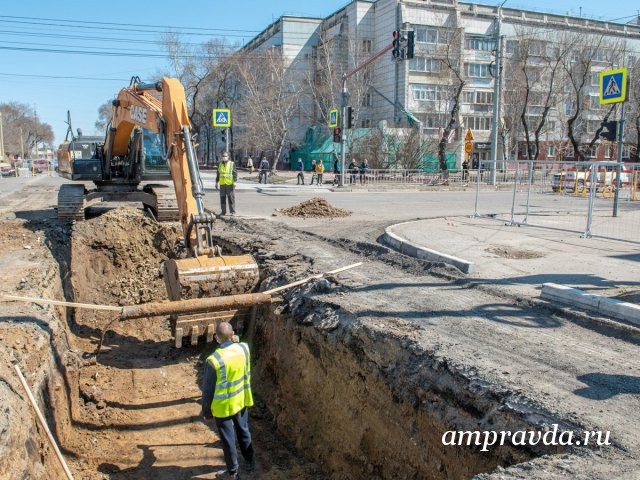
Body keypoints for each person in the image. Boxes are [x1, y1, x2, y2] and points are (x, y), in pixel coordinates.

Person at [202, 322, 256, 480]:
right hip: (241, 400)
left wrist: (206, 411)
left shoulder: (214, 360)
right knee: (243, 431)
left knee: (228, 440)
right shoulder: (244, 348)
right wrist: (234, 340)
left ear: (215, 338)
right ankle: (250, 462)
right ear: (233, 334)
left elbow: (208, 390)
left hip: (223, 407)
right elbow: (238, 345)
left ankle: (233, 473)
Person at [216, 151, 237, 216]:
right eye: (223, 156)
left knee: (231, 198)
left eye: (225, 156)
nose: (224, 157)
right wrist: (217, 182)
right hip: (222, 184)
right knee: (222, 198)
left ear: (228, 157)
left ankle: (232, 211)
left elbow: (234, 174)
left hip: (229, 184)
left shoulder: (232, 164)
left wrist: (234, 182)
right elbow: (218, 174)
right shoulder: (220, 164)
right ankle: (223, 212)